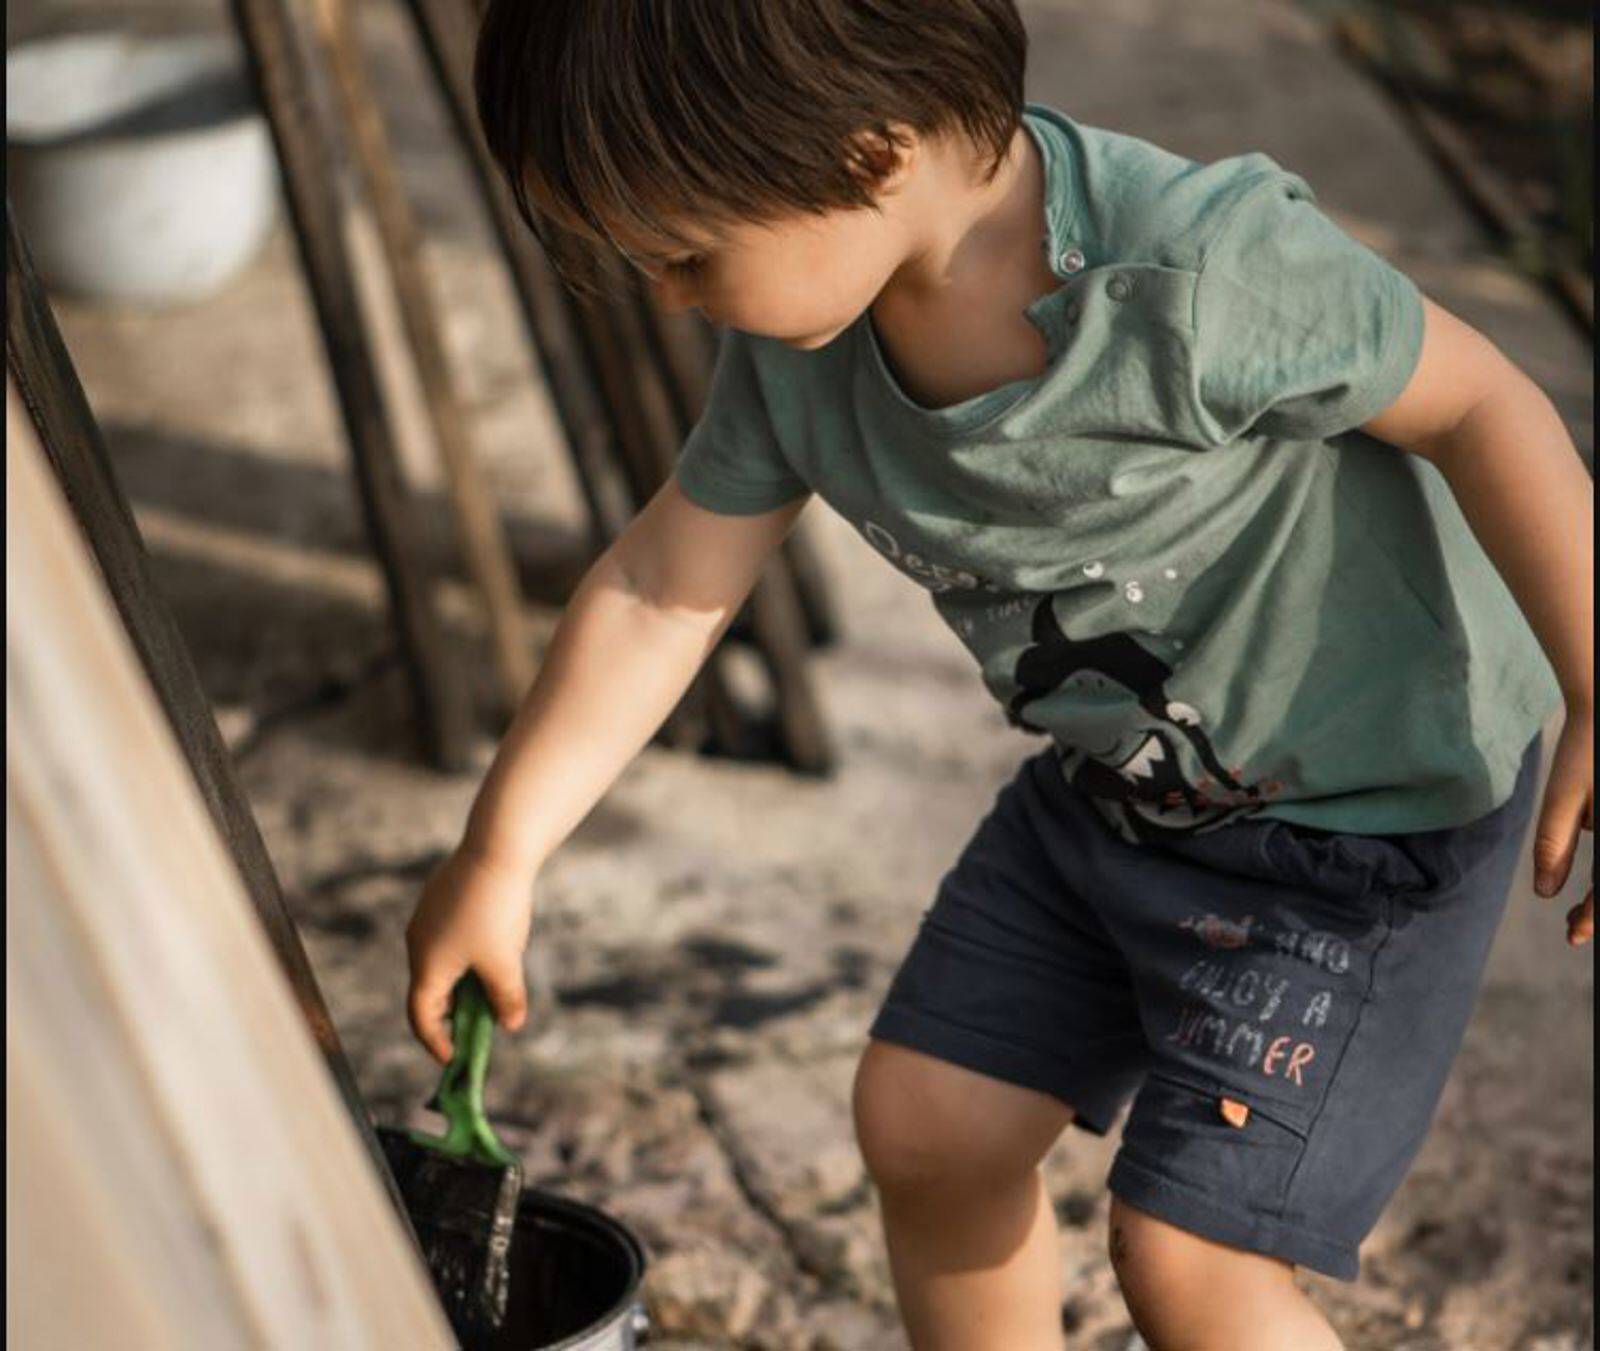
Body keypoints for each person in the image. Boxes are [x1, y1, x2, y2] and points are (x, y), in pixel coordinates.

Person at [404, 2, 1594, 1346]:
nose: (666, 297)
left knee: (1190, 1260)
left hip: (1363, 836)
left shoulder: (1196, 271)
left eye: (687, 256)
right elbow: (658, 587)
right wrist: (501, 849)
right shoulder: (799, 358)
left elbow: (1479, 401)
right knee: (928, 1123)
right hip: (1116, 802)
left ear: (869, 158)